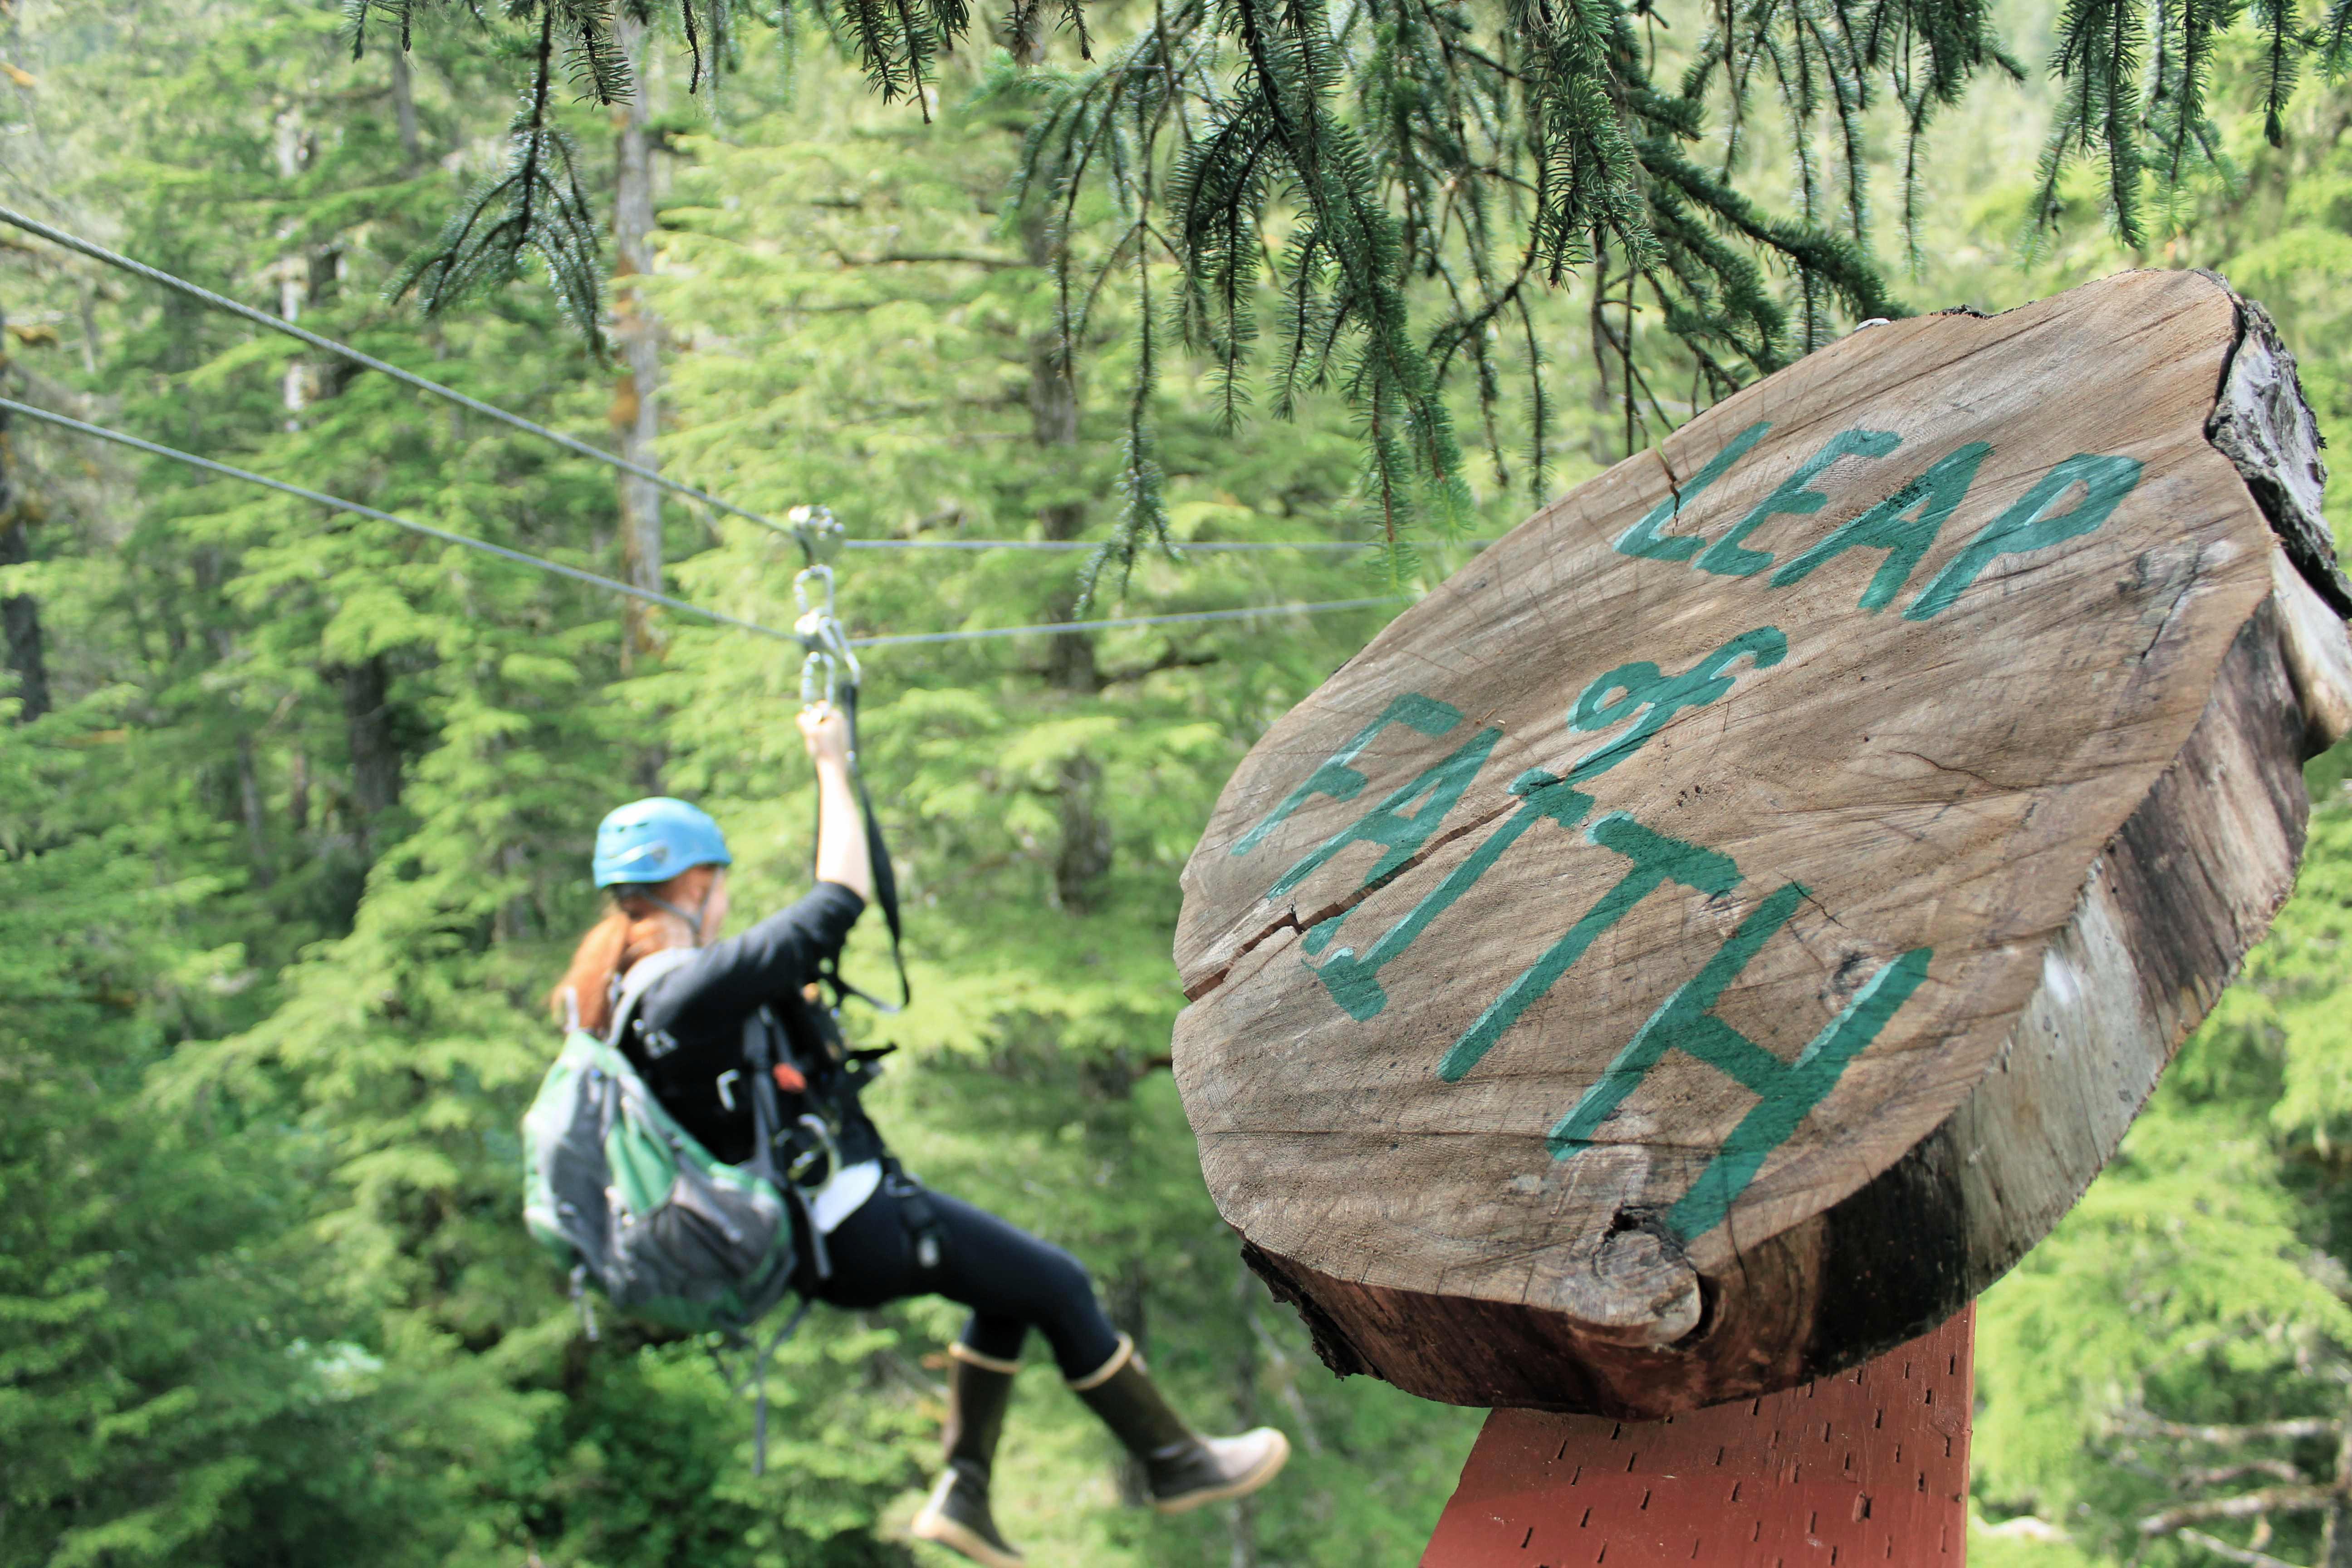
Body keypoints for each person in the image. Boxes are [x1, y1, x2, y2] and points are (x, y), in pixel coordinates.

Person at [549, 703, 1289, 1568]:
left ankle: (962, 1495)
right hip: (849, 1224)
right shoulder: (687, 990)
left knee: (1007, 1292)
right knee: (1056, 1282)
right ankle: (1177, 1462)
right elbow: (836, 903)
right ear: (694, 885)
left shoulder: (621, 1000)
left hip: (817, 1231)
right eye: (719, 884)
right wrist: (831, 763)